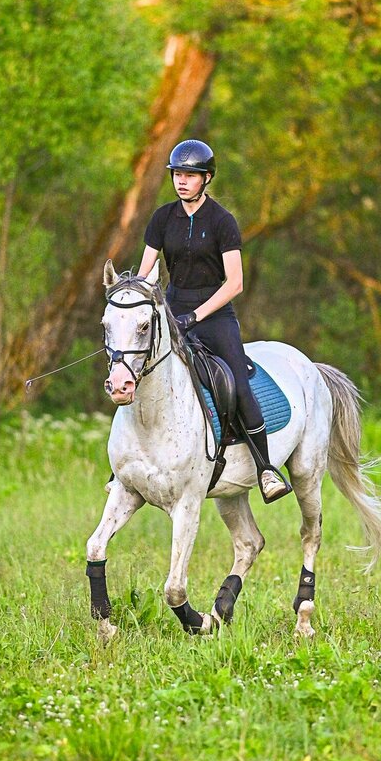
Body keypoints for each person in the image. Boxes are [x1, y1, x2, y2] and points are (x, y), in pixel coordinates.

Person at [136, 139, 292, 503]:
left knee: (237, 384)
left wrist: (197, 314)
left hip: (215, 315)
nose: (182, 181)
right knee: (140, 372)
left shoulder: (222, 221)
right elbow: (147, 273)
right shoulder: (162, 218)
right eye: (177, 174)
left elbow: (234, 283)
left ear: (206, 179)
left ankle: (265, 468)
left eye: (190, 175)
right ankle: (125, 465)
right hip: (172, 311)